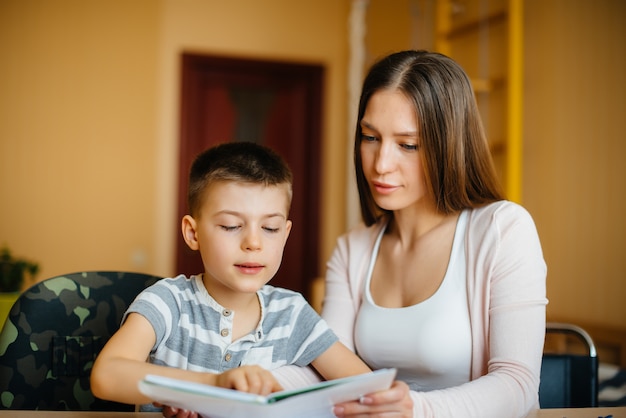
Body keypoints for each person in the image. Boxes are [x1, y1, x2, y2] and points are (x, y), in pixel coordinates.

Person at [272, 50, 548, 418]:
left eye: (408, 145)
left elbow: (518, 384)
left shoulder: (503, 229)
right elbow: (324, 367)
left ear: (449, 144)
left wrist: (415, 410)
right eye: (370, 137)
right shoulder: (353, 249)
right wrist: (259, 382)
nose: (381, 164)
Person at [90, 141, 371, 413]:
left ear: (285, 234)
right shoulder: (168, 301)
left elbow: (366, 389)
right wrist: (212, 386)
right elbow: (107, 375)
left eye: (270, 228)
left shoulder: (292, 314)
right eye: (231, 226)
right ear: (193, 233)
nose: (253, 242)